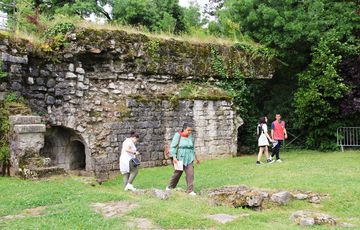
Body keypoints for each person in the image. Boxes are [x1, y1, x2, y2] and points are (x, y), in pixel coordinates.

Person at [166, 123, 200, 196]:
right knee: (178, 173)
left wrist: (196, 158)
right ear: (184, 129)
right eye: (188, 130)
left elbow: (192, 147)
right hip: (179, 157)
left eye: (191, 130)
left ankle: (190, 190)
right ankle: (170, 187)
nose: (189, 132)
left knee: (190, 174)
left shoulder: (190, 136)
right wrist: (174, 157)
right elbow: (173, 147)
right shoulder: (178, 135)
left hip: (189, 157)